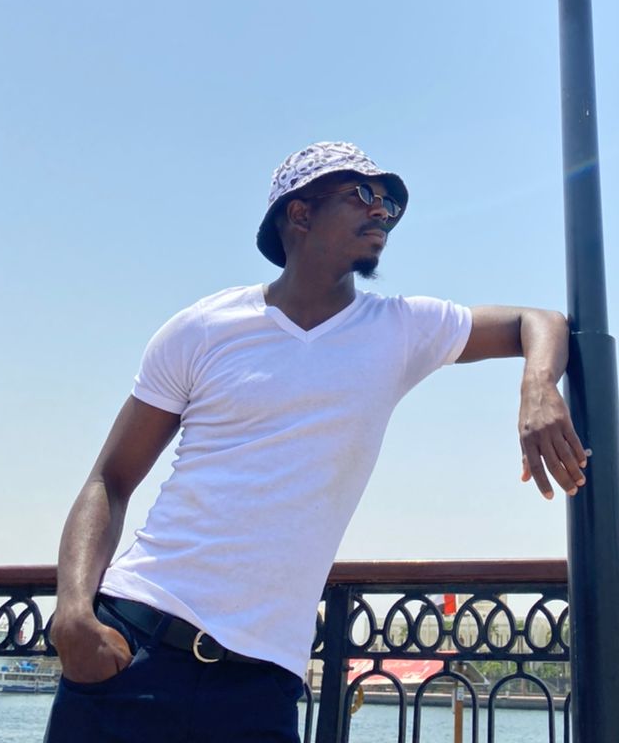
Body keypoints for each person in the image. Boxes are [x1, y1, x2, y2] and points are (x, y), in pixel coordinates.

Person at [45, 141, 588, 742]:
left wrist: (539, 387)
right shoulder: (203, 328)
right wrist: (72, 614)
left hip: (261, 688)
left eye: (390, 204)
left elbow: (538, 321)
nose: (382, 211)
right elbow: (110, 480)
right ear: (299, 213)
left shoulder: (400, 327)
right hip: (134, 644)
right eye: (364, 194)